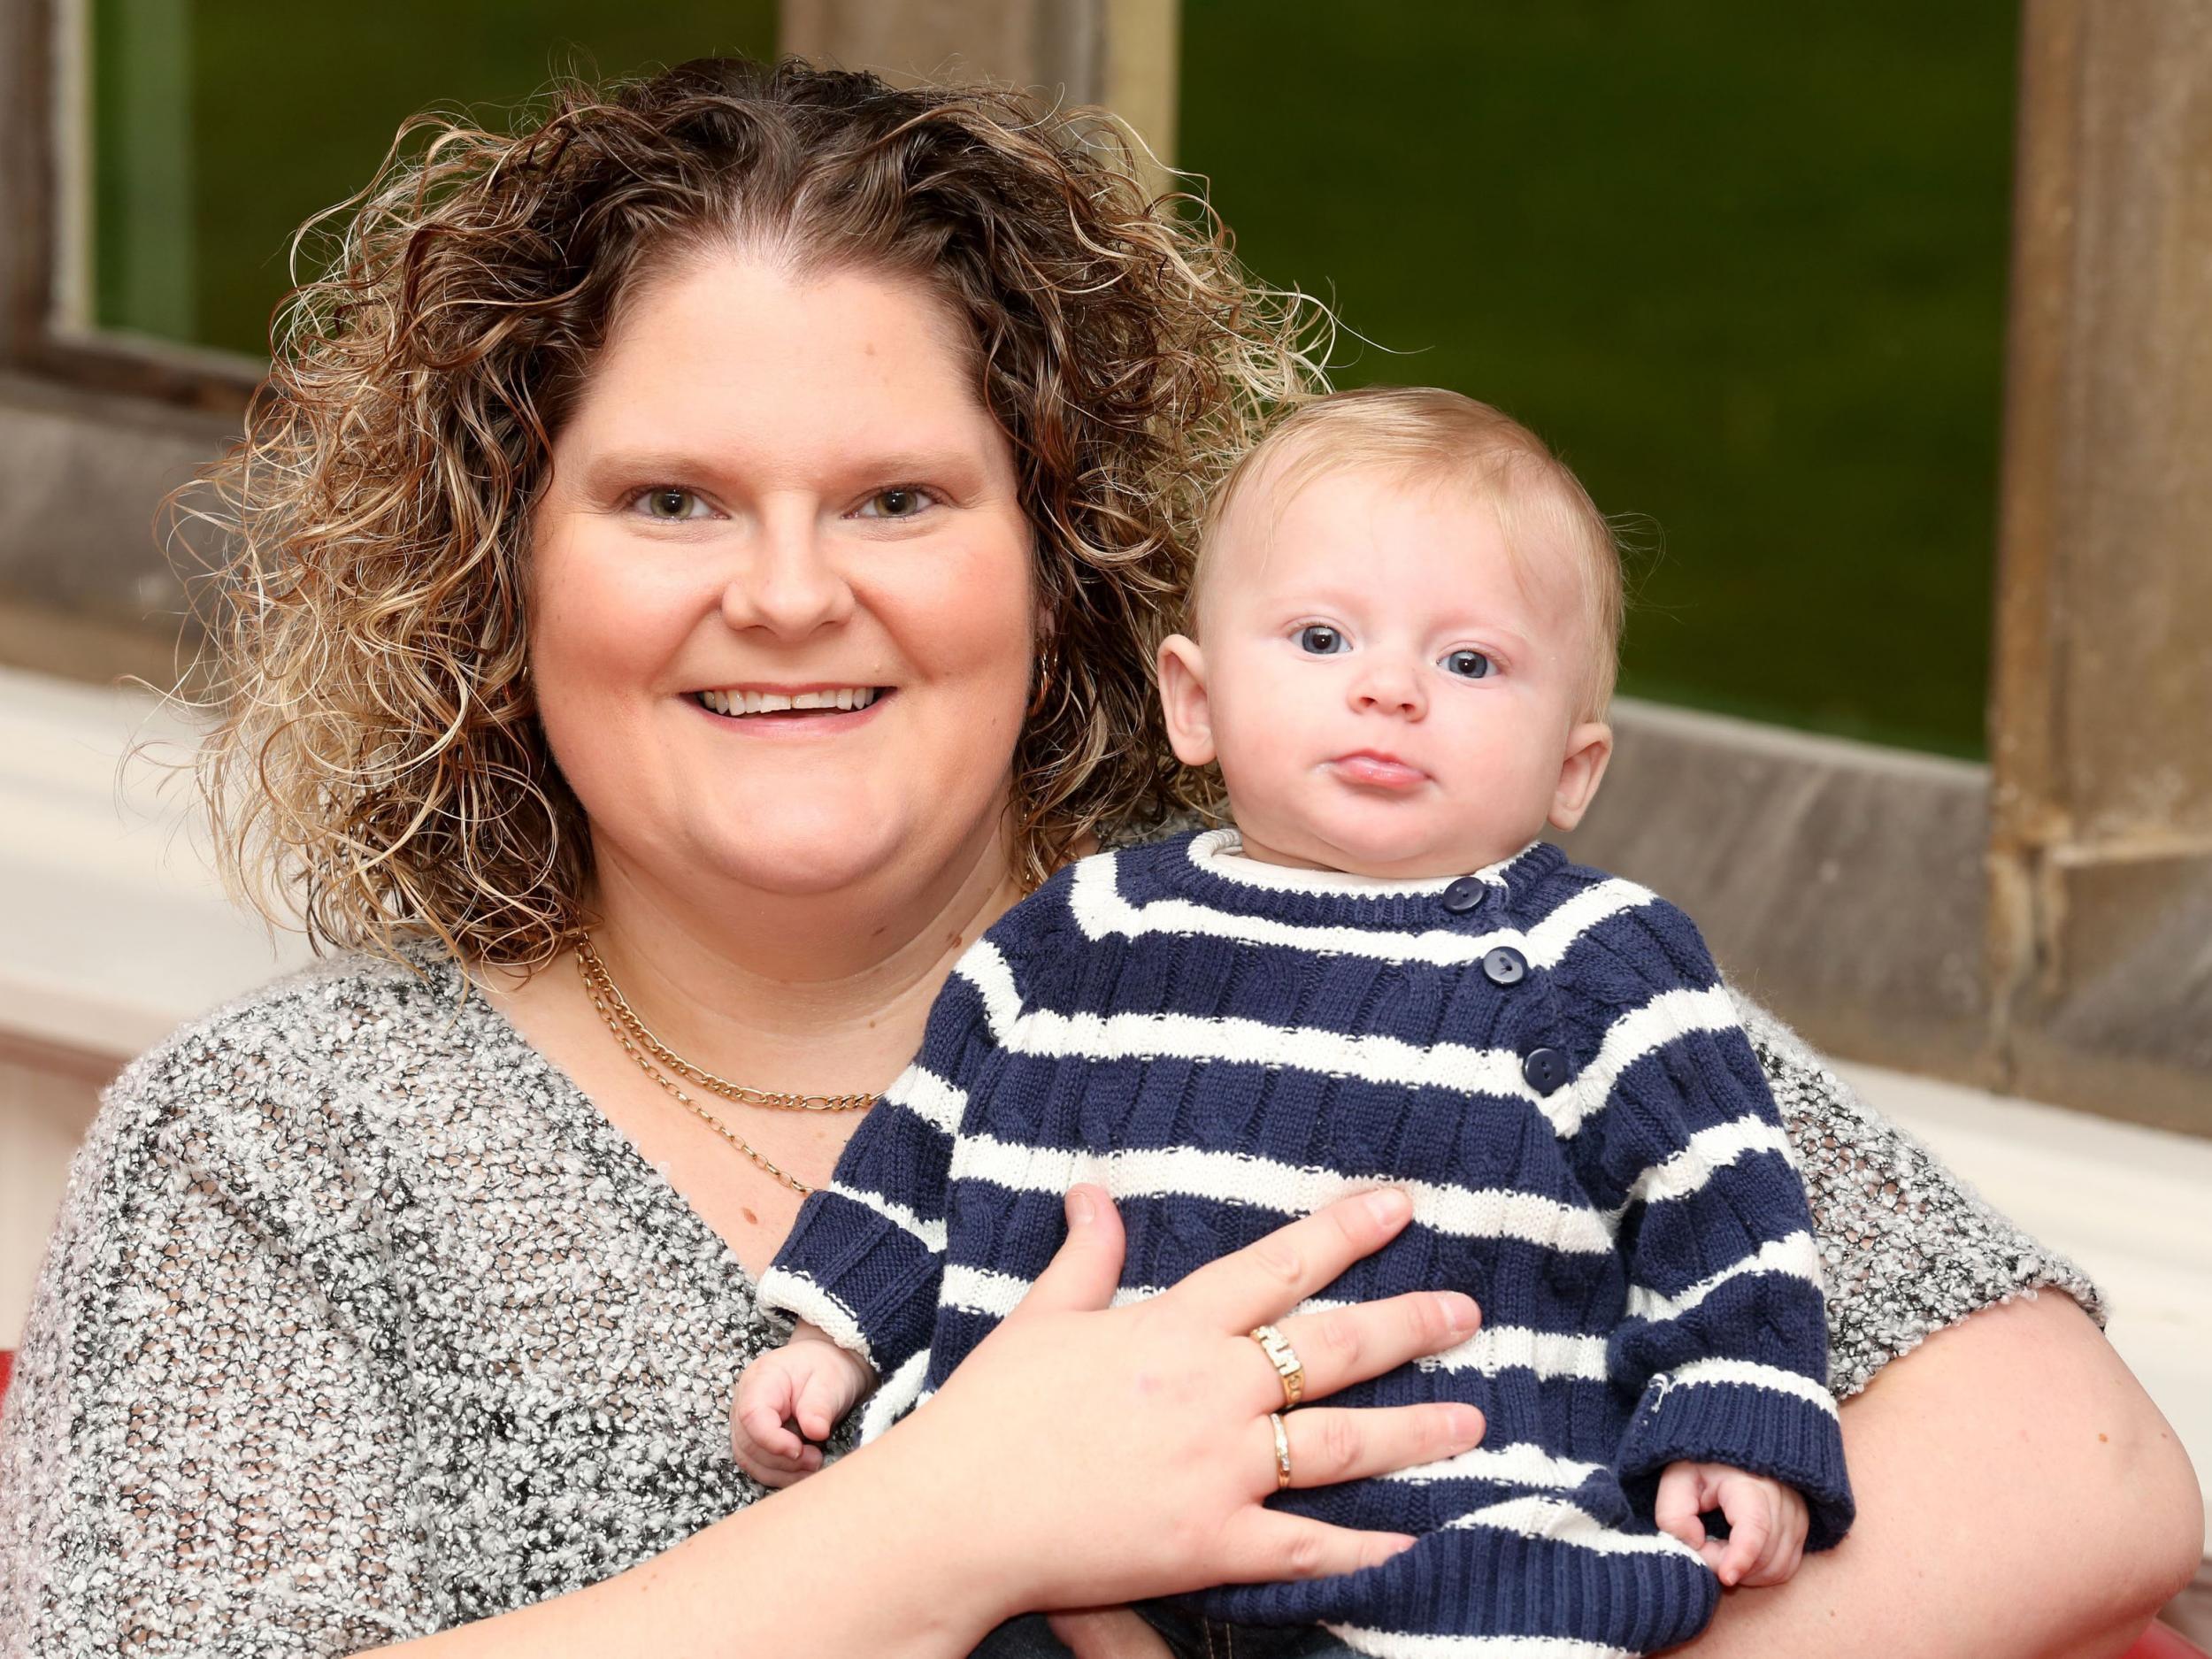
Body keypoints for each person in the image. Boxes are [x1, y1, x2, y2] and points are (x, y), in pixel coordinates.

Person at [0, 54, 2197, 1659]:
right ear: (494, 575)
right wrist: (941, 1524)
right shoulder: (288, 1147)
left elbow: (2073, 1464)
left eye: (898, 498)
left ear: (1064, 575)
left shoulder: (1390, 931)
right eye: (669, 499)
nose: (787, 592)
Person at [736, 388, 1852, 1659]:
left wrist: (1736, 1425)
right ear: (1195, 701)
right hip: (1053, 1563)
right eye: (1322, 640)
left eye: (1469, 662)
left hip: (1436, 1565)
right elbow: (925, 1139)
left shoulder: (1588, 962)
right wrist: (833, 1335)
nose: (1389, 690)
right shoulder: (1087, 931)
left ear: (1572, 769)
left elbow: (1726, 1211)